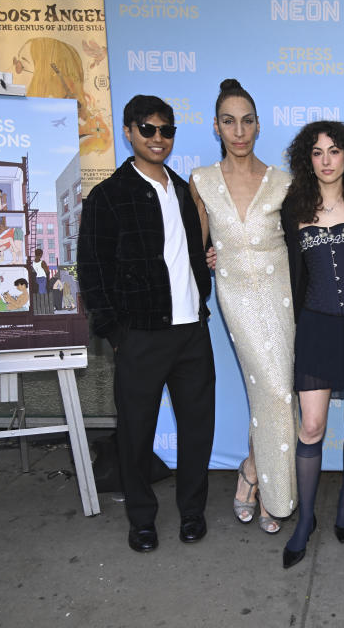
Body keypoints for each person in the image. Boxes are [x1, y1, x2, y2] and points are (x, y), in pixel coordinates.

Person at [78, 94, 216, 553]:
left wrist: (204, 285)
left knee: (198, 429)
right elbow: (92, 269)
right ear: (128, 132)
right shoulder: (109, 196)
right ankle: (141, 518)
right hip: (139, 334)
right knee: (136, 432)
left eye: (166, 130)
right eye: (148, 129)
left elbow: (194, 252)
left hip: (192, 331)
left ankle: (192, 511)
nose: (158, 138)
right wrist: (115, 332)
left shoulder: (182, 189)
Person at [189, 79, 298, 535]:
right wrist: (209, 256)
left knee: (280, 394)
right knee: (274, 392)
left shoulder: (284, 182)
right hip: (236, 297)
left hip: (282, 296)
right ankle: (275, 494)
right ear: (216, 127)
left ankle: (252, 473)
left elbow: (300, 245)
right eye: (229, 122)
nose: (239, 131)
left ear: (258, 126)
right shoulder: (201, 181)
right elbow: (199, 248)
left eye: (247, 121)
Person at [279, 120, 344, 568]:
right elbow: (264, 253)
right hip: (316, 326)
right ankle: (306, 520)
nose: (326, 161)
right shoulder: (293, 208)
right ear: (309, 159)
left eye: (334, 151)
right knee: (312, 427)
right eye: (317, 153)